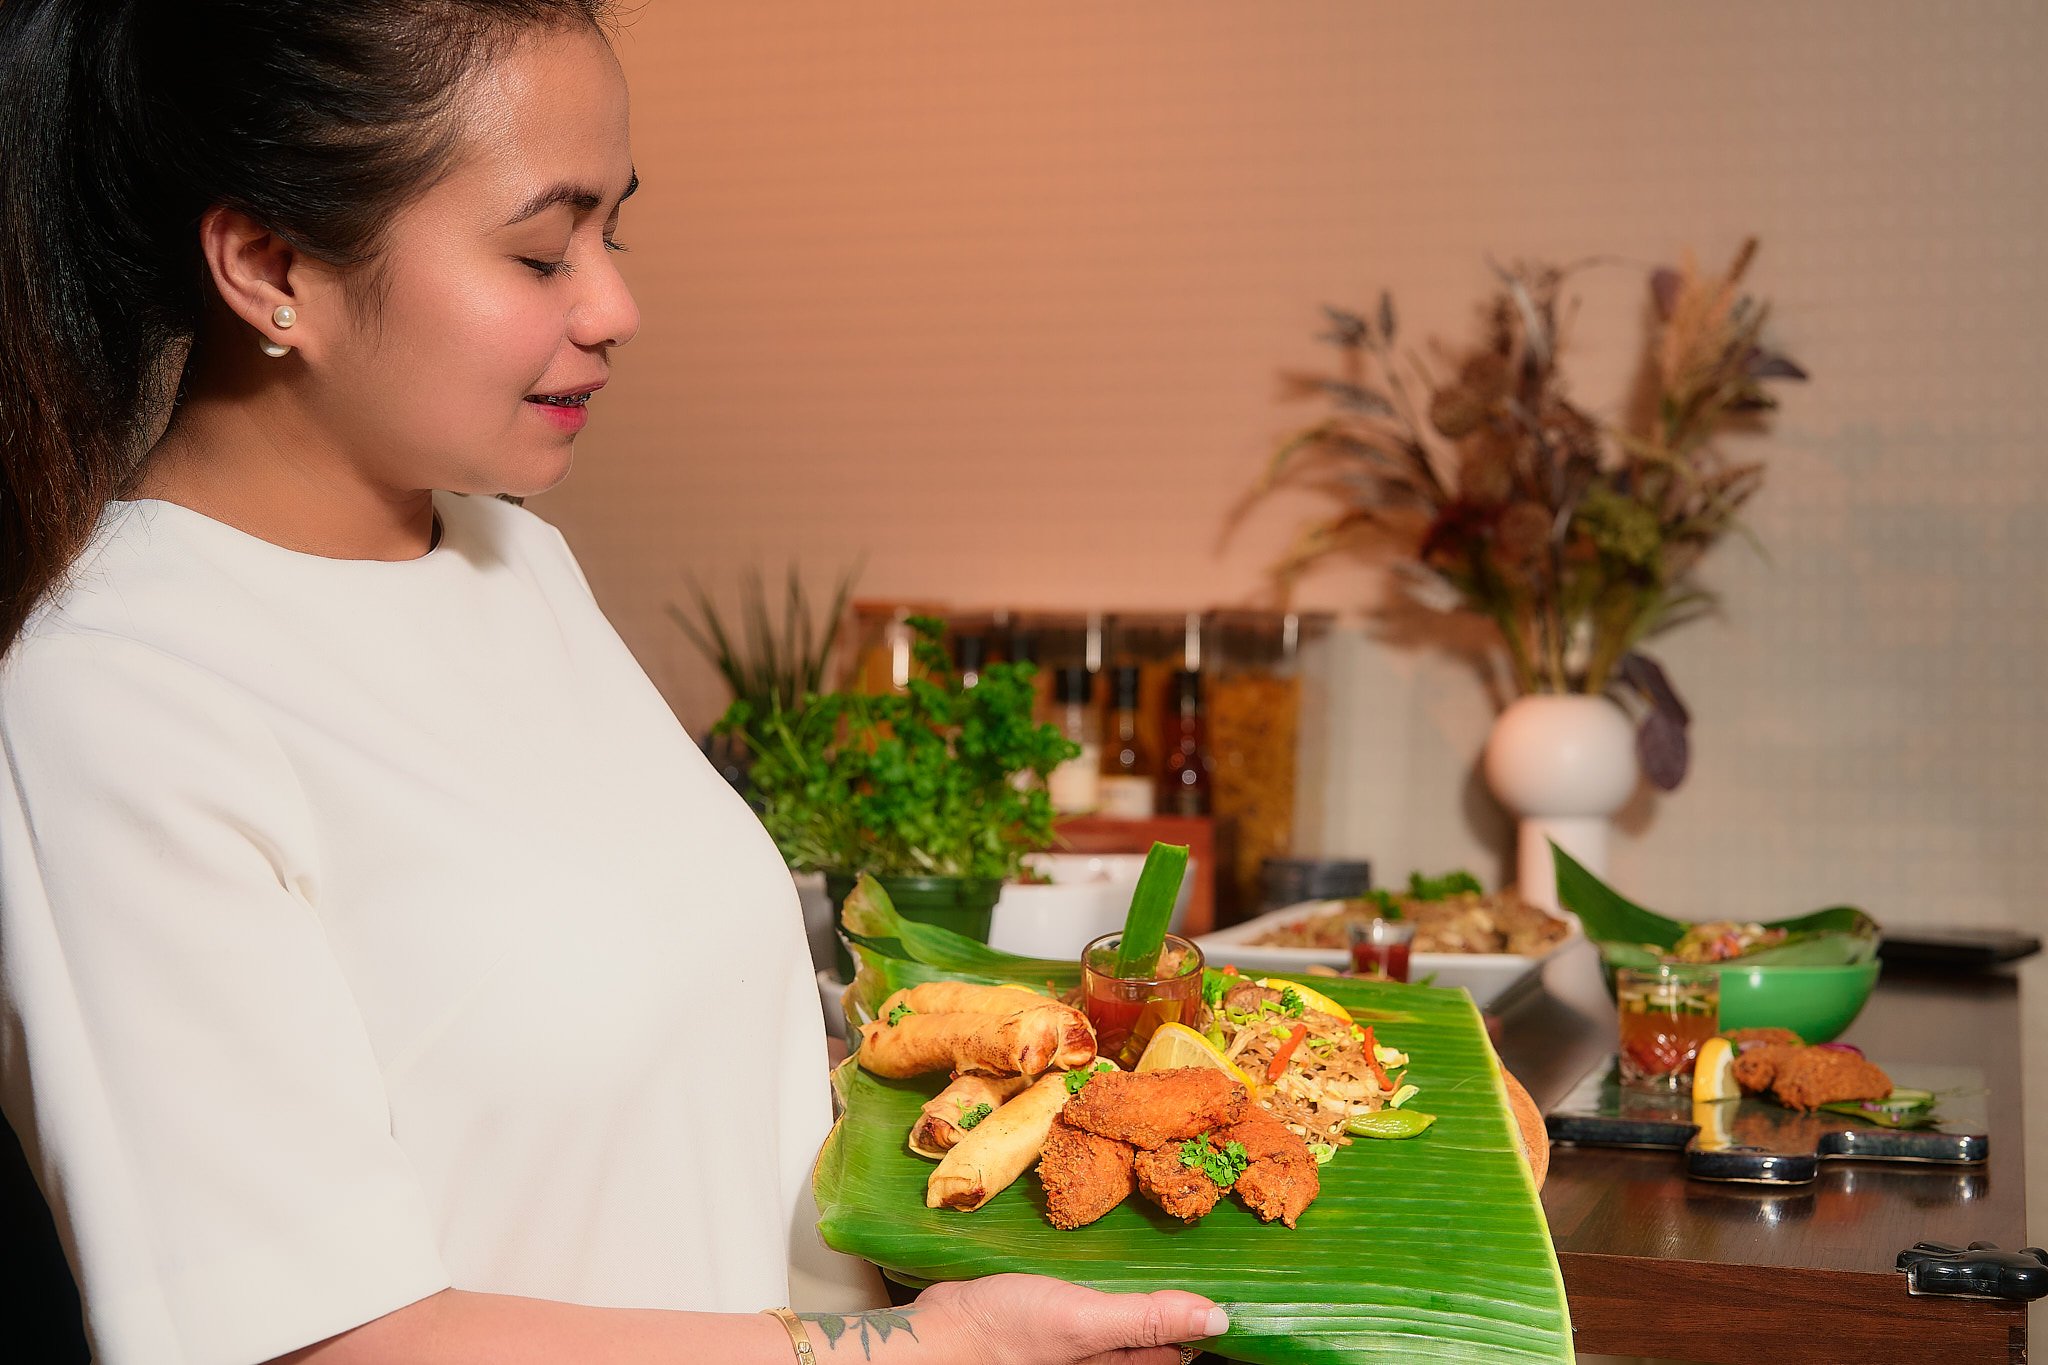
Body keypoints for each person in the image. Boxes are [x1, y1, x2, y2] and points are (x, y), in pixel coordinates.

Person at [0, 3, 1227, 1362]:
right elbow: (321, 1335)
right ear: (268, 262)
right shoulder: (113, 694)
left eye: (611, 235)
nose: (615, 308)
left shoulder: (514, 558)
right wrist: (937, 1355)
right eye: (541, 252)